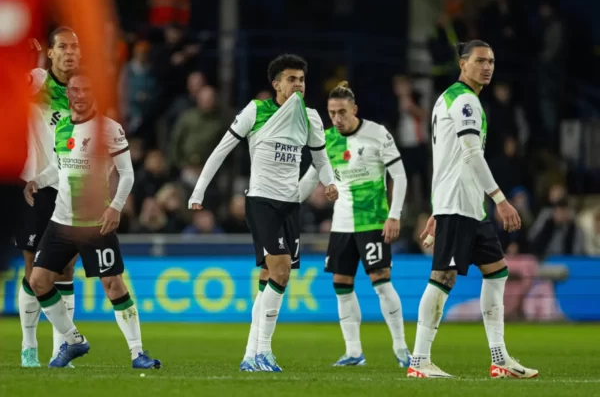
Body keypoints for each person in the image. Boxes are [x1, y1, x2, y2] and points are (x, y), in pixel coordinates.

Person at [188, 54, 338, 372]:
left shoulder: (309, 117)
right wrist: (199, 190)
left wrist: (330, 183)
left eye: (302, 79)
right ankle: (263, 352)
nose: (298, 84)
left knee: (271, 277)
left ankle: (249, 354)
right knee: (281, 271)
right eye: (291, 79)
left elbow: (321, 158)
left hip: (290, 205)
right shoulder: (257, 111)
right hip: (261, 202)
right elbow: (222, 149)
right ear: (276, 84)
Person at [407, 40, 538, 379]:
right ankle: (419, 361)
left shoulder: (454, 98)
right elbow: (469, 154)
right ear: (462, 64)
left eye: (492, 61)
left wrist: (438, 206)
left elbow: (446, 157)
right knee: (443, 277)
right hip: (460, 203)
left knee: (497, 272)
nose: (487, 66)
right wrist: (501, 200)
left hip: (465, 204)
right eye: (480, 60)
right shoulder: (464, 100)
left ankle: (500, 358)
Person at [24, 70, 161, 369]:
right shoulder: (61, 130)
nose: (80, 95)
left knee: (113, 284)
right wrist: (38, 180)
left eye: (86, 90)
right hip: (61, 222)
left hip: (94, 223)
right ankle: (73, 340)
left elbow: (127, 173)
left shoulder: (108, 129)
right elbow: (60, 170)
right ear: (69, 94)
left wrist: (115, 207)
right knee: (38, 281)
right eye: (75, 90)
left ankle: (138, 353)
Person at [298, 81, 411, 367]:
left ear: (355, 109)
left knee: (381, 283)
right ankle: (353, 352)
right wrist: (286, 203)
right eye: (331, 113)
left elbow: (400, 176)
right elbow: (312, 177)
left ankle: (402, 350)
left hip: (373, 221)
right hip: (342, 225)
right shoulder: (326, 139)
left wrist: (394, 215)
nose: (336, 118)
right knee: (341, 283)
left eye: (342, 112)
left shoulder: (377, 134)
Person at [17, 27, 81, 368]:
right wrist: (28, 57)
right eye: (63, 47)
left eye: (75, 47)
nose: (70, 53)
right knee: (33, 269)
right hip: (36, 186)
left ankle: (62, 349)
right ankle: (29, 346)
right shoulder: (38, 82)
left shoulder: (83, 91)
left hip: (71, 188)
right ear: (52, 53)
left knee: (66, 268)